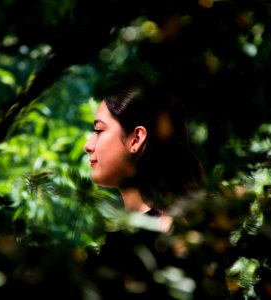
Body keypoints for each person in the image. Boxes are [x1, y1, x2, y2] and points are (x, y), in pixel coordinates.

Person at [81, 72, 213, 299]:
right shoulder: (129, 236)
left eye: (99, 131)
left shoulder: (168, 235)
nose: (88, 145)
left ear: (136, 139)